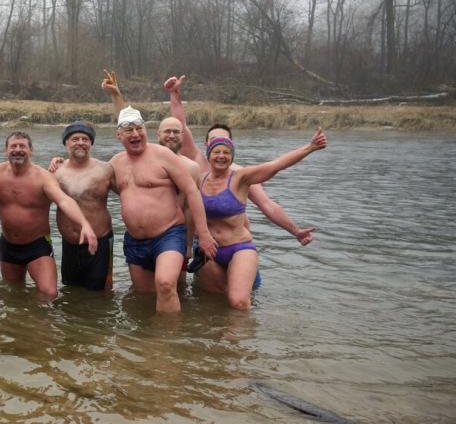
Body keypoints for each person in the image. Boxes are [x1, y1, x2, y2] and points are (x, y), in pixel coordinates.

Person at [164, 75, 317, 247]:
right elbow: (181, 126)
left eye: (224, 143)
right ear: (206, 144)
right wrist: (174, 94)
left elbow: (267, 205)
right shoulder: (196, 162)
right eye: (214, 141)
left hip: (237, 242)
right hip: (206, 242)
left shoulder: (241, 175)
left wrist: (295, 230)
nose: (220, 150)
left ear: (232, 148)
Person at [195, 129, 327, 309]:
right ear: (208, 155)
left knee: (239, 302)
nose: (221, 156)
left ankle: (243, 335)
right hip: (210, 252)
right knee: (212, 303)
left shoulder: (241, 177)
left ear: (232, 157)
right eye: (216, 152)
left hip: (239, 248)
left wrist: (310, 147)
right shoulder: (198, 180)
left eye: (226, 153)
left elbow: (277, 164)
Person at [109, 107, 217, 313]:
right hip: (135, 240)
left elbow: (192, 192)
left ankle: (166, 343)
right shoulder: (115, 163)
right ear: (119, 135)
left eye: (139, 128)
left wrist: (203, 234)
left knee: (166, 285)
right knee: (144, 296)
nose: (135, 134)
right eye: (129, 130)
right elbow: (90, 177)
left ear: (146, 130)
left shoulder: (163, 155)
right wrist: (61, 163)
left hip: (168, 234)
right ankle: (145, 339)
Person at [0, 132, 98, 299]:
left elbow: (64, 200)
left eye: (22, 146)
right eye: (13, 146)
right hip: (8, 243)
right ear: (6, 150)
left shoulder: (43, 177)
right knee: (12, 292)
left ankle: (42, 324)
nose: (18, 150)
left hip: (37, 245)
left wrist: (84, 224)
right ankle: (19, 324)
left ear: (31, 150)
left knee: (49, 293)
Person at [50, 122, 116, 291]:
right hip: (69, 243)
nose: (80, 142)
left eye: (85, 139)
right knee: (70, 291)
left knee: (102, 291)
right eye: (75, 139)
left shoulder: (106, 169)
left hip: (100, 241)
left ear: (91, 143)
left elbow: (130, 192)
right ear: (66, 143)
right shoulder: (56, 172)